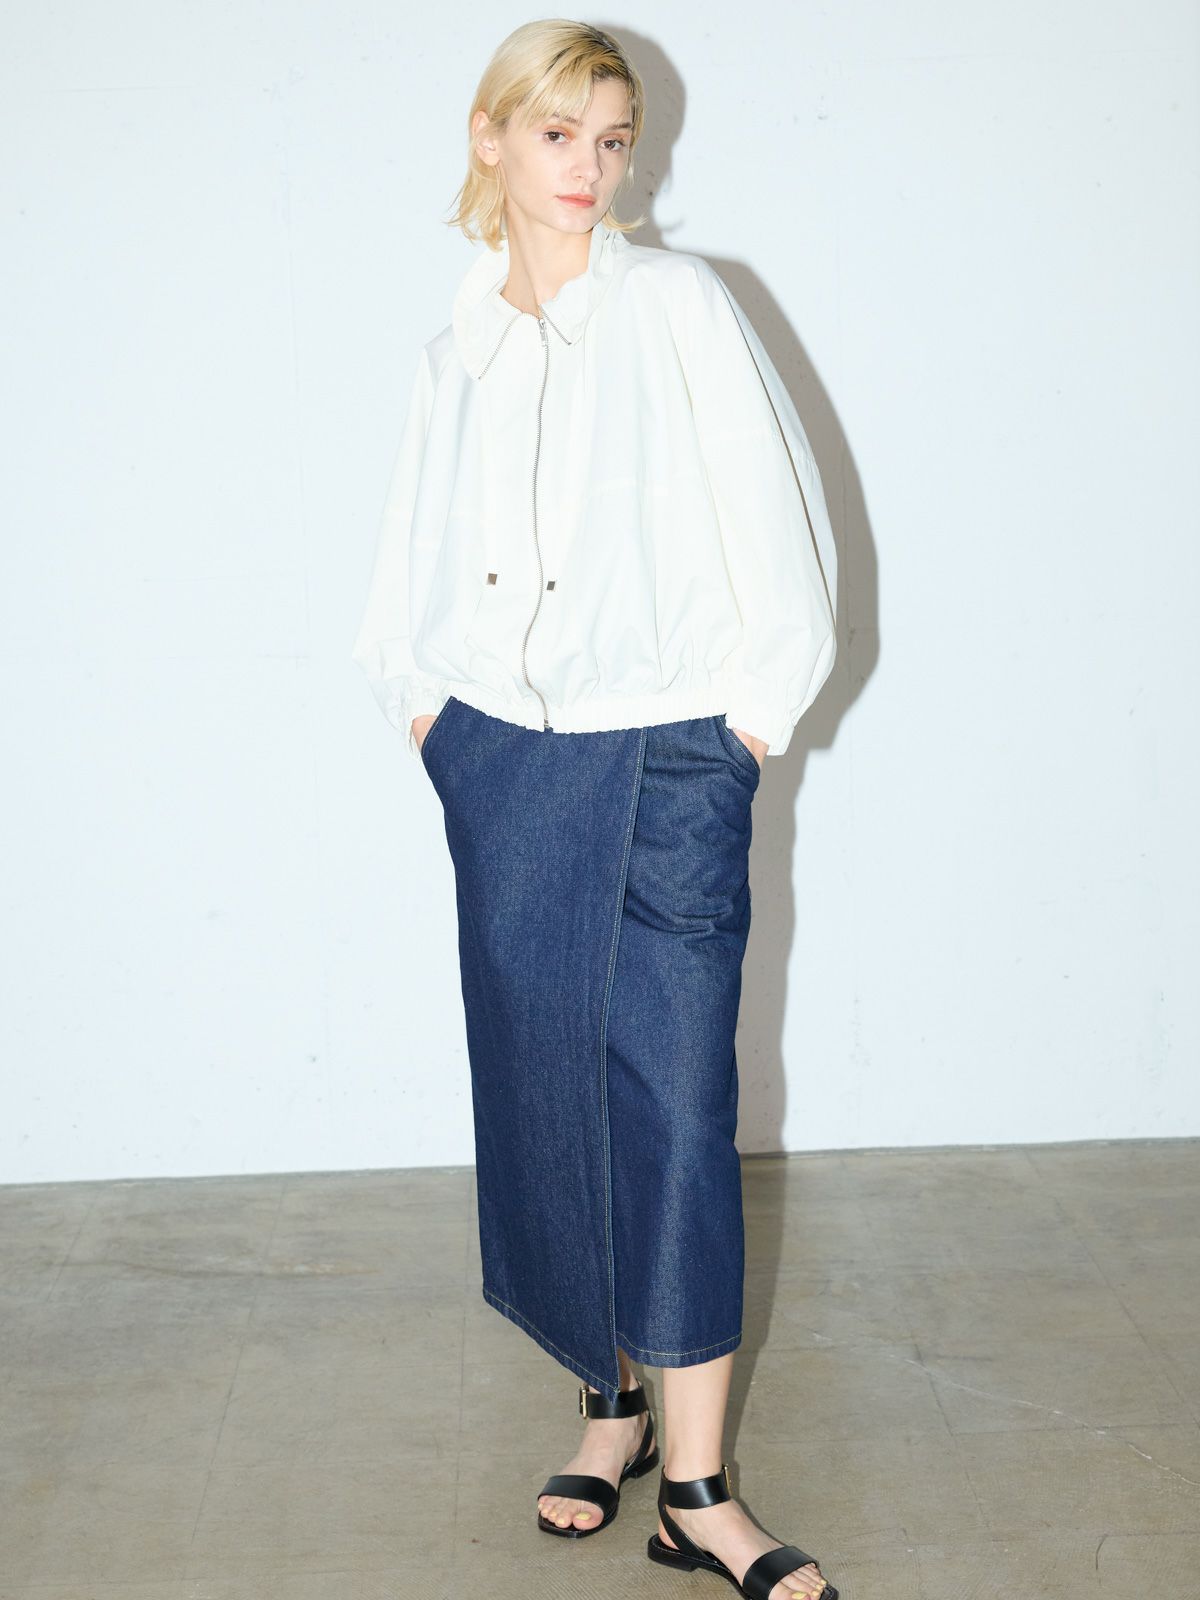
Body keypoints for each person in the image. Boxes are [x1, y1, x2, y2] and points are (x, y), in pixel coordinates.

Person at [351, 21, 839, 1600]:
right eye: (559, 133)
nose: (590, 167)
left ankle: (699, 1489)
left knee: (677, 1106)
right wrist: (433, 720)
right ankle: (609, 1405)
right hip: (508, 763)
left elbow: (781, 524)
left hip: (671, 748)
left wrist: (743, 731)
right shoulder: (454, 355)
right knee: (545, 1091)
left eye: (612, 138)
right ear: (490, 137)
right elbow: (404, 575)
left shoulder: (677, 305)